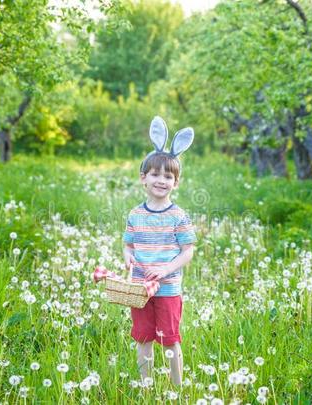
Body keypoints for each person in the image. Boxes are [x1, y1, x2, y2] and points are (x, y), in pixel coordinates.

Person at [122, 116, 197, 386]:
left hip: (167, 289)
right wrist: (127, 257)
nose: (161, 180)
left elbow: (188, 251)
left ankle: (177, 388)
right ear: (143, 178)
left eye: (168, 176)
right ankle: (146, 385)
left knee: (169, 340)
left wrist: (165, 269)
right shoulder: (135, 214)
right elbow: (128, 244)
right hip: (140, 288)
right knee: (142, 337)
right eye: (155, 174)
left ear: (176, 182)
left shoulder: (178, 215)